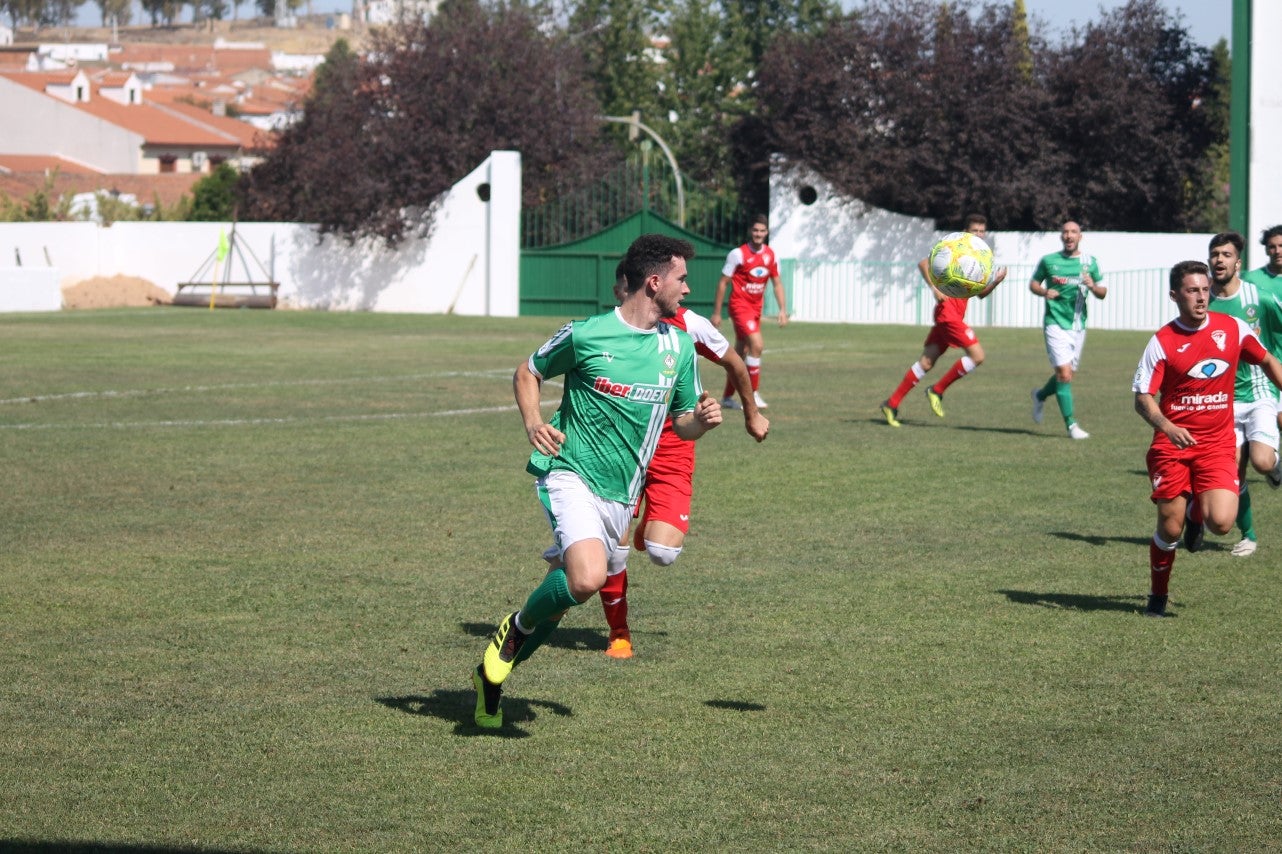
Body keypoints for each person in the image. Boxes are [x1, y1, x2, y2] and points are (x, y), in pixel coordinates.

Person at [472, 234, 723, 729]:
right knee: (587, 578)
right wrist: (533, 422)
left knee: (561, 602)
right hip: (570, 474)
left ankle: (491, 680)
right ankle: (514, 630)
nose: (688, 289)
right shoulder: (586, 334)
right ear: (655, 283)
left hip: (621, 495)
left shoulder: (678, 347)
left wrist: (704, 421)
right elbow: (528, 372)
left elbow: (682, 424)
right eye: (682, 278)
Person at [599, 268, 770, 659]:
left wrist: (750, 415)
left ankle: (647, 525)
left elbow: (736, 364)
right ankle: (619, 631)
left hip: (674, 444)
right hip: (623, 447)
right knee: (614, 547)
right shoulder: (610, 328)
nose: (688, 287)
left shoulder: (689, 324)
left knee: (662, 552)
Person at [1133, 260, 1282, 617]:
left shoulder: (1232, 328)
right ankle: (1158, 594)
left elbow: (1267, 360)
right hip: (1172, 447)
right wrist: (1167, 427)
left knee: (1222, 523)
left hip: (1216, 445)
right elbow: (1141, 399)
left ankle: (1197, 512)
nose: (1202, 298)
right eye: (1192, 291)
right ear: (1174, 295)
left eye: (1205, 290)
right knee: (1169, 528)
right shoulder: (1162, 342)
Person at [880, 213, 1008, 426]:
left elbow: (979, 294)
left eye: (981, 231)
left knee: (926, 362)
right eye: (975, 230)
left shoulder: (978, 259)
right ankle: (937, 391)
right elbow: (923, 263)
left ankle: (891, 404)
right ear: (966, 232)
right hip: (948, 313)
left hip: (951, 315)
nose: (979, 234)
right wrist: (933, 287)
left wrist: (995, 282)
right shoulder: (955, 248)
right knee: (977, 356)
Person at [1206, 231, 1282, 558]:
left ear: (1238, 262)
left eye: (1226, 255)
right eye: (1215, 254)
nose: (1219, 260)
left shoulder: (1259, 297)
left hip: (1259, 390)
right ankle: (1248, 534)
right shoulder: (1201, 299)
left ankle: (1276, 465)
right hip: (1223, 398)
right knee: (1234, 470)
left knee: (1262, 461)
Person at [1029, 221, 1106, 439]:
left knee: (1067, 375)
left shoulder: (1090, 263)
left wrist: (1092, 286)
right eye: (1065, 232)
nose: (1069, 235)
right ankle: (1071, 425)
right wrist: (1044, 292)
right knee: (1064, 373)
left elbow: (1103, 292)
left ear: (1080, 236)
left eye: (1073, 232)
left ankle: (1040, 396)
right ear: (1061, 236)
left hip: (1078, 326)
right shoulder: (1049, 261)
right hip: (1054, 323)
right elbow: (1034, 284)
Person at [711, 214, 788, 410]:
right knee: (757, 344)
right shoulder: (738, 254)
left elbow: (777, 283)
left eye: (762, 231)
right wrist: (717, 312)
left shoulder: (771, 255)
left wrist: (782, 309)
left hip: (755, 309)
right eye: (755, 230)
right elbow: (723, 282)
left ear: (767, 232)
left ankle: (728, 397)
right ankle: (752, 395)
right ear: (750, 232)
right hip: (739, 306)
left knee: (741, 353)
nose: (758, 234)